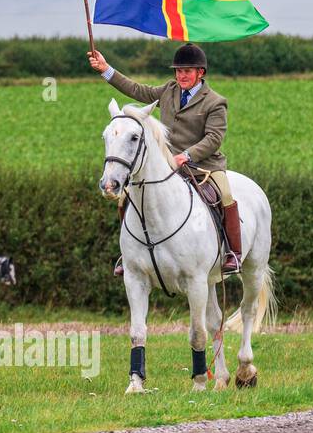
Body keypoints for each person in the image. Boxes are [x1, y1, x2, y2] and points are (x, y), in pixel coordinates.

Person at [89, 42, 242, 275]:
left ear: (200, 73)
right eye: (178, 71)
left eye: (187, 71)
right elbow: (137, 90)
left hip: (204, 166)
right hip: (167, 163)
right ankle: (127, 255)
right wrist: (106, 69)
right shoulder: (168, 90)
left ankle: (233, 252)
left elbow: (214, 138)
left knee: (226, 195)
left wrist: (187, 155)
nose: (181, 75)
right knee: (125, 198)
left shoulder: (215, 101)